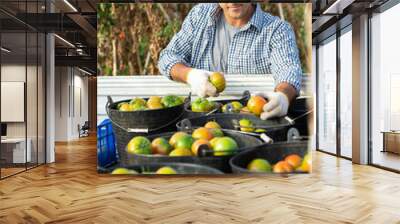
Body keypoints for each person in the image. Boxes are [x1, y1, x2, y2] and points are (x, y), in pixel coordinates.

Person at [158, 3, 302, 120]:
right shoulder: (199, 15)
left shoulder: (277, 29)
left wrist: (283, 96)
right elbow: (168, 56)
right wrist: (190, 75)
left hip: (252, 121)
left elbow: (288, 70)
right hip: (202, 121)